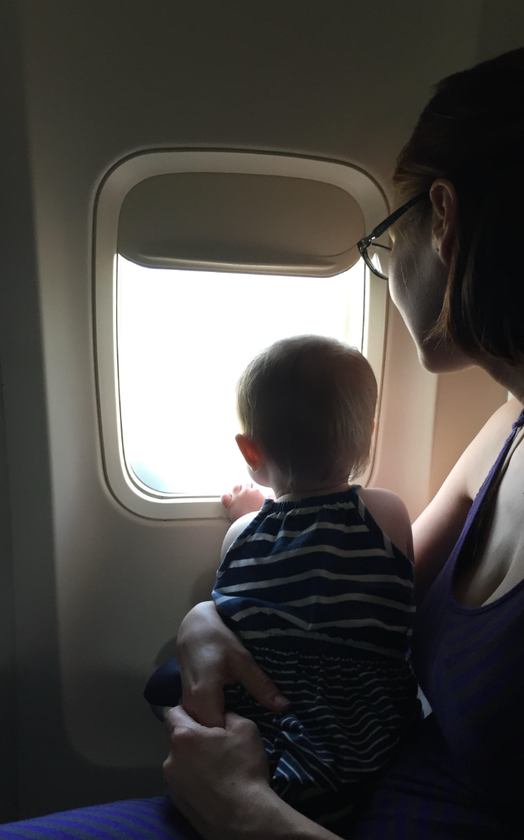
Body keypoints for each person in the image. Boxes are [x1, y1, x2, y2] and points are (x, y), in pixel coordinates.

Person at [3, 44, 524, 840]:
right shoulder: (506, 433)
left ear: (442, 220)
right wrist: (207, 620)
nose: (384, 267)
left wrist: (247, 813)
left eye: (381, 242)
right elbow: (349, 598)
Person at [144, 335, 418, 831]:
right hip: (367, 745)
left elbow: (275, 559)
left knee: (165, 684)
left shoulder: (240, 536)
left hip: (271, 756)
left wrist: (255, 517)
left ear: (250, 450)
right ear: (367, 436)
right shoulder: (386, 514)